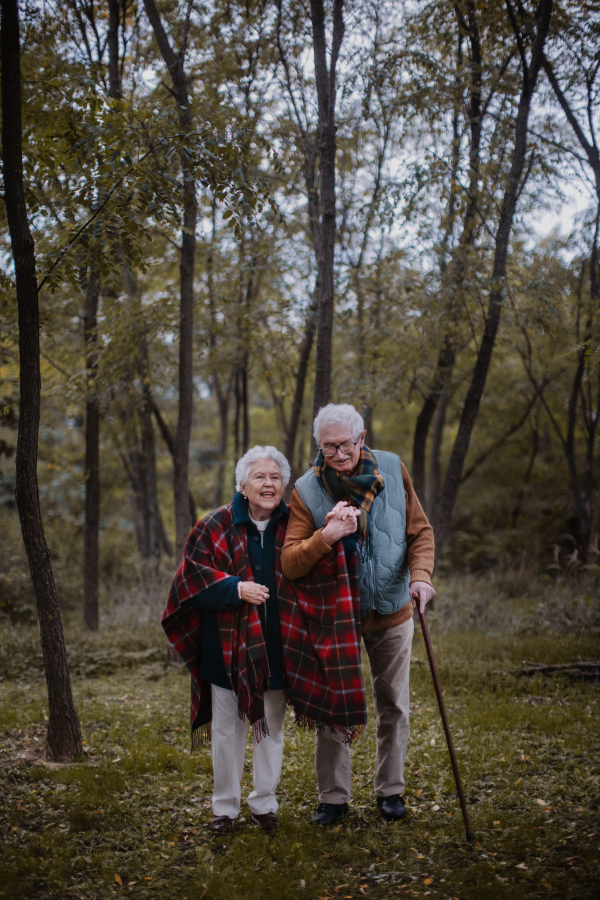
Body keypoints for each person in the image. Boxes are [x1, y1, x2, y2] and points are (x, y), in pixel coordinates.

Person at [281, 403, 435, 825]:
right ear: (318, 446)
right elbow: (290, 562)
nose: (338, 454)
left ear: (361, 438)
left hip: (391, 609)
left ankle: (391, 792)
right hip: (336, 616)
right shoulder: (306, 489)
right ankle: (333, 798)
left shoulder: (391, 468)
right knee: (335, 706)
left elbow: (419, 532)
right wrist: (327, 535)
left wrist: (420, 577)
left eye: (345, 445)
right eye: (328, 447)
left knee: (394, 704)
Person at [162, 446, 291, 836]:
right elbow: (188, 583)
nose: (268, 484)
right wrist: (236, 589)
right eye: (259, 477)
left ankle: (264, 804)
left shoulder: (295, 523)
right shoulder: (214, 524)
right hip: (226, 645)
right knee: (227, 729)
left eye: (275, 478)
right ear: (242, 484)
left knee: (270, 727)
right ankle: (225, 808)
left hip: (279, 643)